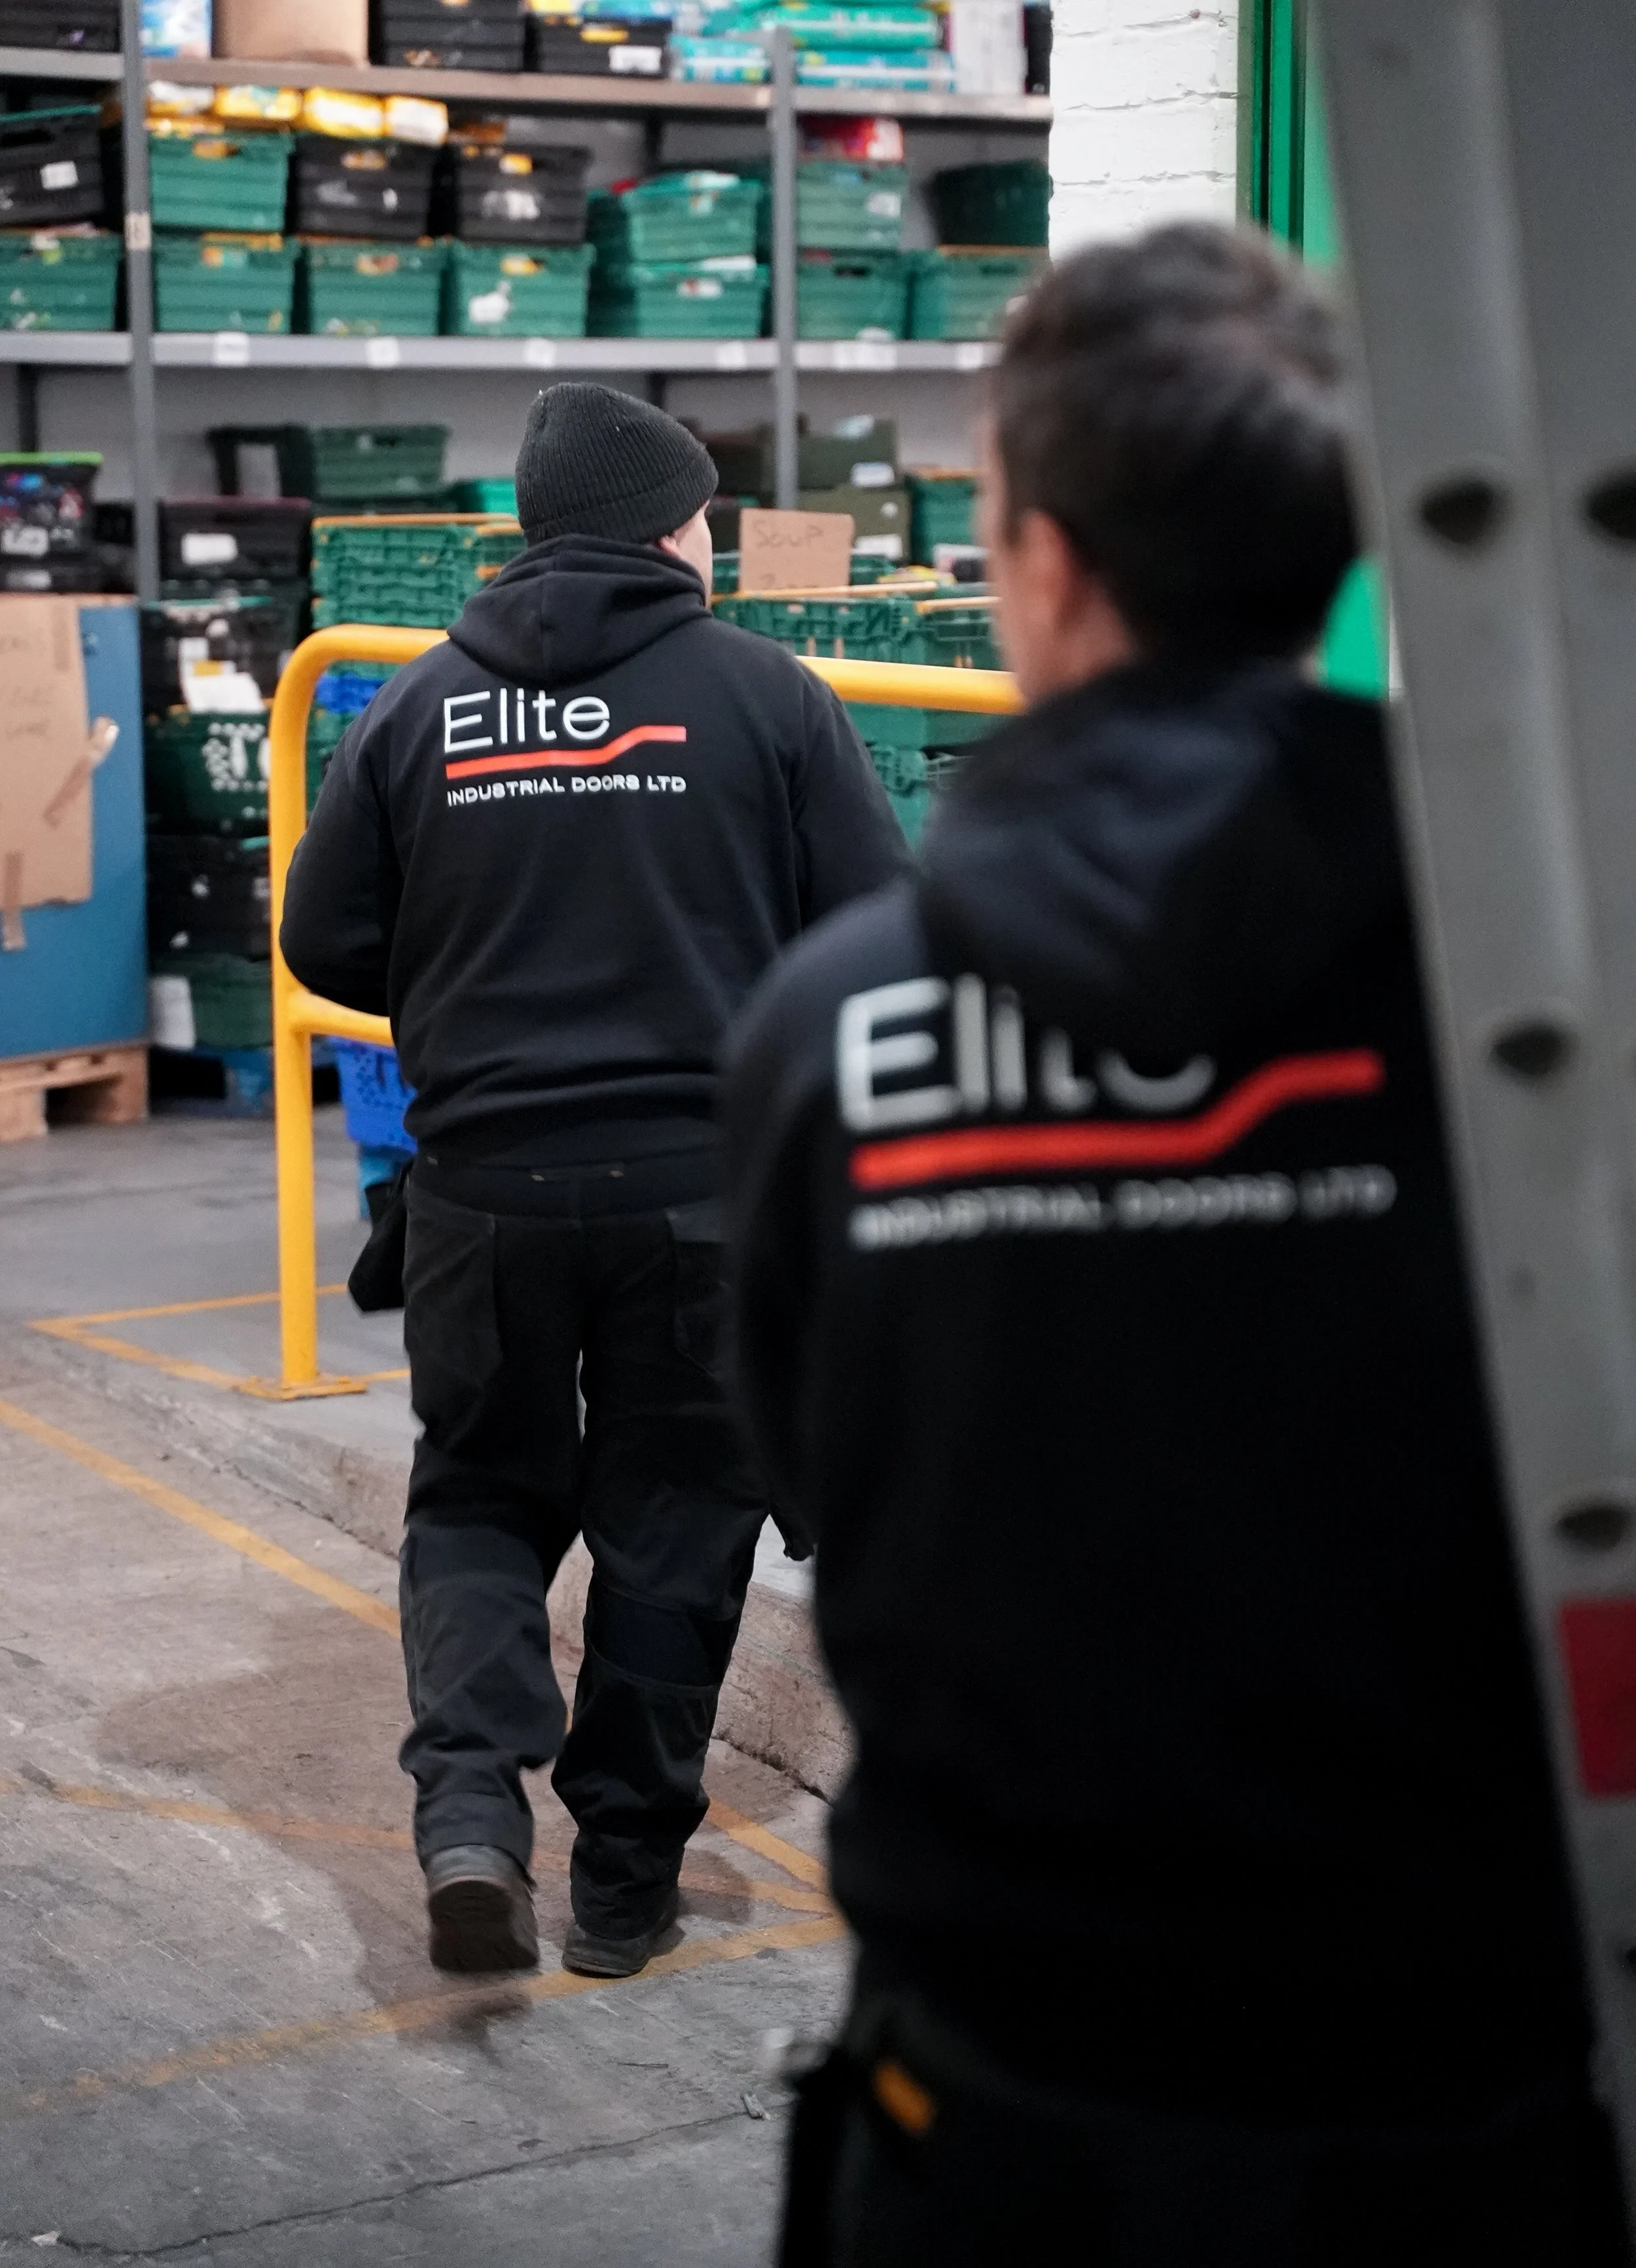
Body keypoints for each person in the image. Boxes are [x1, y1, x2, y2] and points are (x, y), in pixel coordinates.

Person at [722, 225, 1622, 2263]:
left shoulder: (829, 1033)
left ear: (1042, 562)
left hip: (1006, 2102)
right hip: (1458, 2087)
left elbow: (806, 1461)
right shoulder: (1527, 1010)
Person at [281, 383, 908, 1980]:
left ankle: (471, 1821)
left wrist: (471, 981)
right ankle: (621, 1887)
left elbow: (322, 938)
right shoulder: (767, 696)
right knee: (677, 1523)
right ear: (670, 528)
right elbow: (874, 932)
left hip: (483, 1187)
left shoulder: (417, 706)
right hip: (705, 1199)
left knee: (480, 1496)